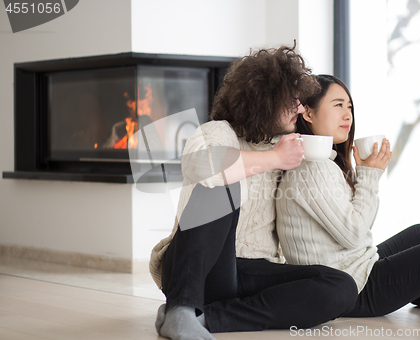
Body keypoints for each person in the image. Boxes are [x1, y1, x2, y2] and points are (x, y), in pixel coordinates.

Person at [149, 49, 358, 340]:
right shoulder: (219, 132)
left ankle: (208, 318)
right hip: (198, 265)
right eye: (293, 101)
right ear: (266, 98)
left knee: (342, 286)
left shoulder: (284, 144)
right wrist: (274, 158)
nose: (300, 109)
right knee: (222, 182)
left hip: (251, 272)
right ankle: (183, 307)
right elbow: (201, 167)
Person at [276, 74, 420, 317]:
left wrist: (365, 177)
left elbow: (360, 230)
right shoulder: (314, 168)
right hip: (353, 288)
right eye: (338, 105)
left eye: (349, 106)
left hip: (355, 268)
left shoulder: (322, 162)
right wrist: (369, 176)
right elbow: (354, 234)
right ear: (308, 114)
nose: (348, 114)